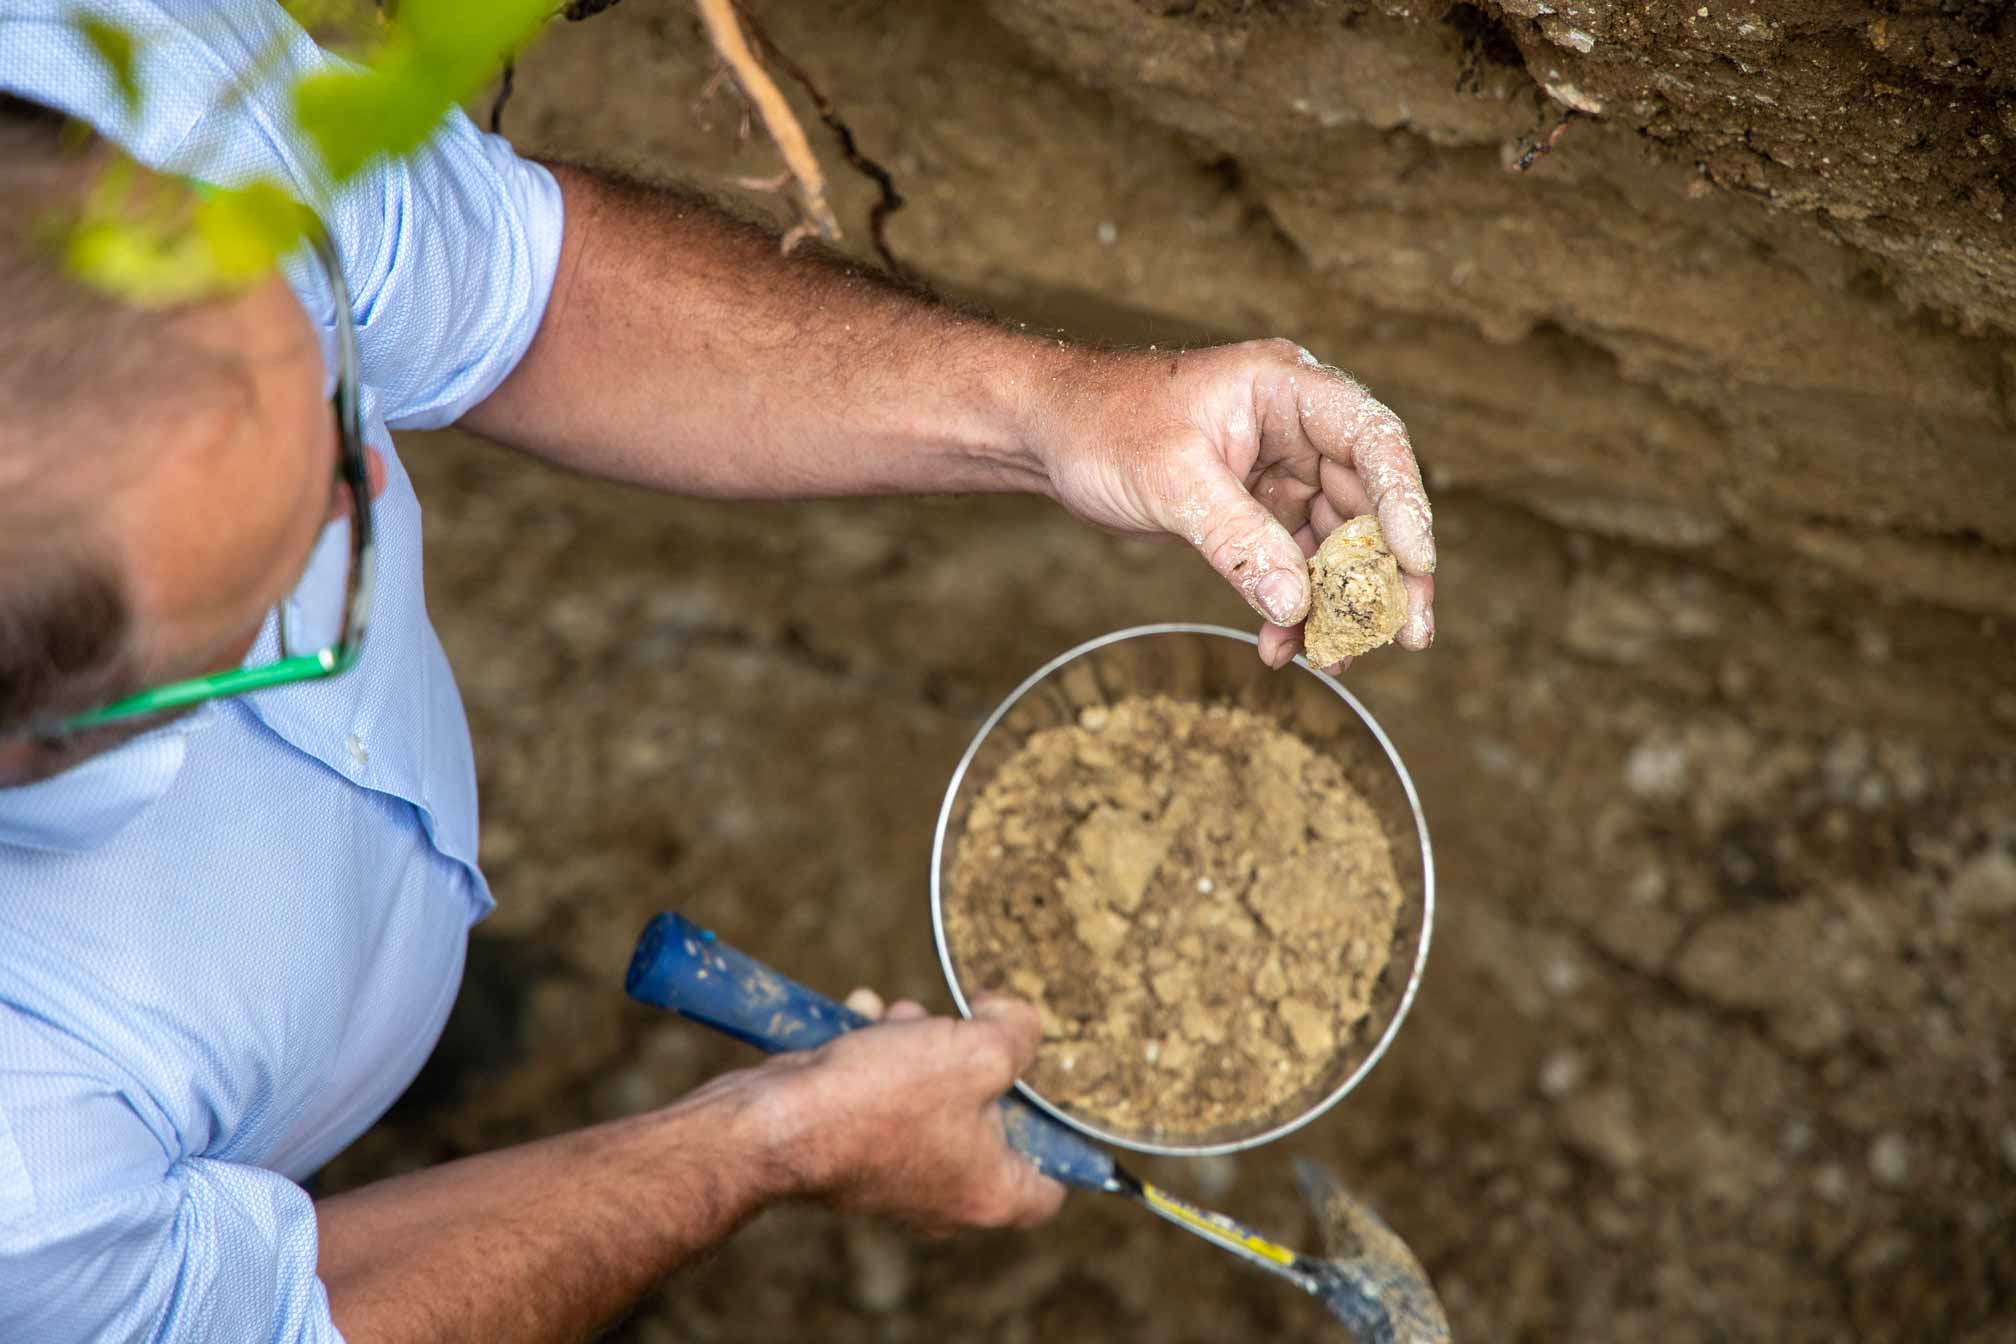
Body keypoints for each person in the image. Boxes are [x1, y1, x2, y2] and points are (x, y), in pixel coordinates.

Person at [0, 2, 1437, 1340]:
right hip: (184, 1159)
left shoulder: (116, 95)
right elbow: (270, 1317)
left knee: (409, 1010)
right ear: (48, 741)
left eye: (329, 383)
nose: (373, 464)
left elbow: (518, 283)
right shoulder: (26, 1173)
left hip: (324, 938)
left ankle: (435, 1021)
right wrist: (772, 1140)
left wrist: (1063, 410)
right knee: (264, 1152)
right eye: (291, 577)